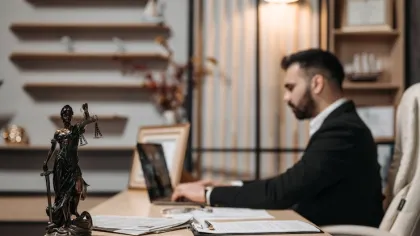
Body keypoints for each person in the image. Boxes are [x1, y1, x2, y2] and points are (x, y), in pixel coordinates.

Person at [171, 48, 385, 227]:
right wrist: (226, 185)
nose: (286, 97)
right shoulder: (341, 125)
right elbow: (288, 184)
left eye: (291, 88)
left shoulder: (342, 130)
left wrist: (208, 194)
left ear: (317, 84)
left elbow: (281, 192)